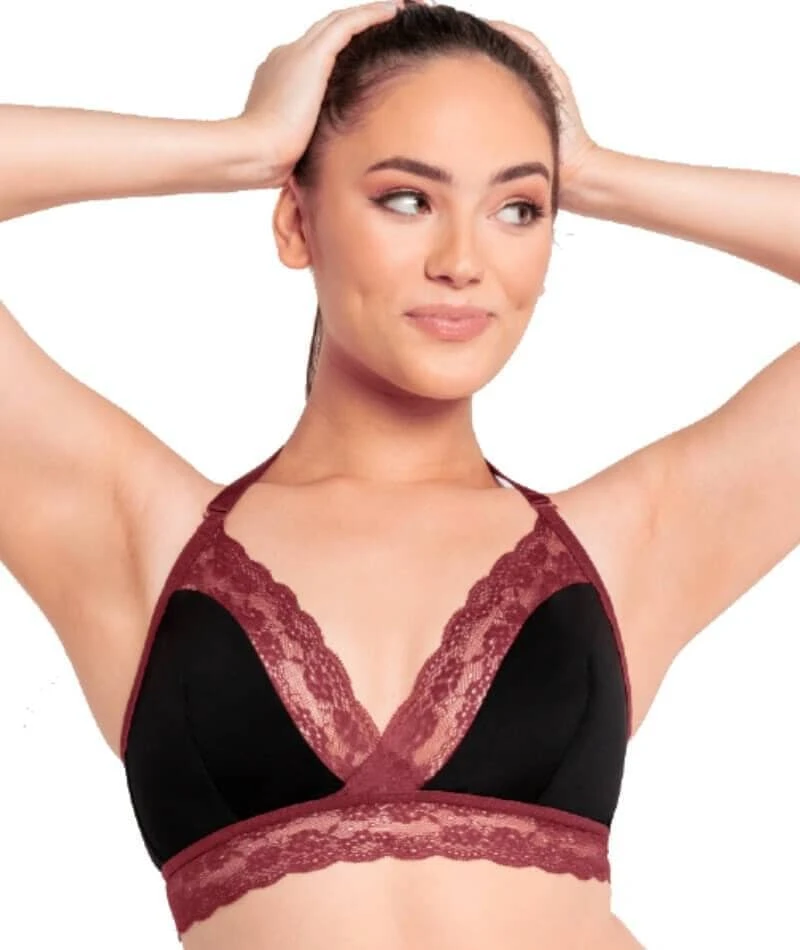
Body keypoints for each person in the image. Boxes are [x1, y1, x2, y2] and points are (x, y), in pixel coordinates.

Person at [1, 1, 797, 948]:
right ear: (296, 222)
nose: (463, 261)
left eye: (518, 209)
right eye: (407, 199)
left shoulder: (632, 547)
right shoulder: (138, 538)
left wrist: (594, 172)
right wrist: (240, 146)